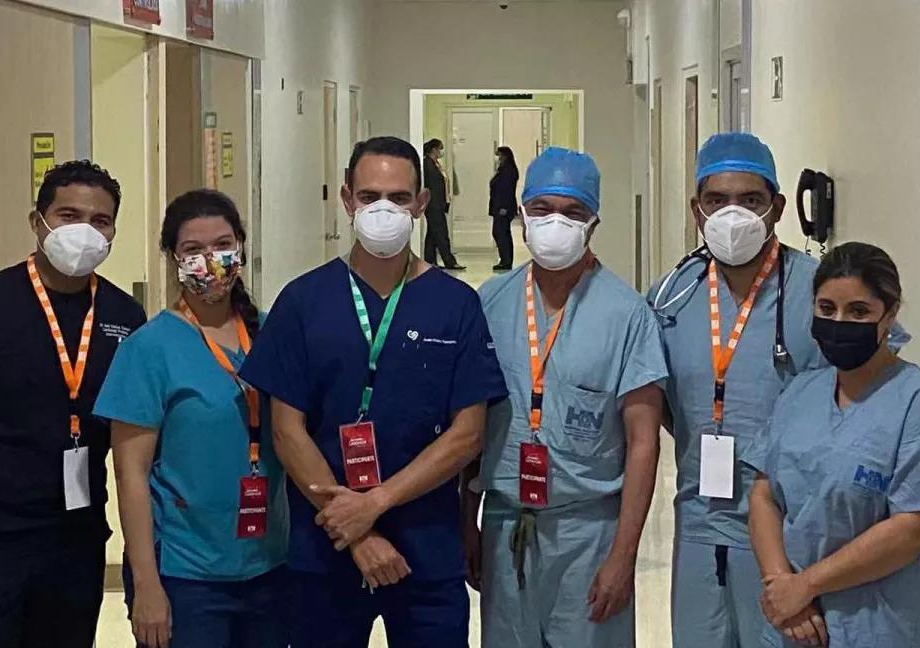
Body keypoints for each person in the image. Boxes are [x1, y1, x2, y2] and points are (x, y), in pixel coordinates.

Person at [238, 136, 508, 648]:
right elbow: (287, 431)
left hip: (426, 552)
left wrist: (376, 502)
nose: (384, 210)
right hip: (326, 548)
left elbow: (468, 434)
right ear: (347, 200)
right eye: (369, 197)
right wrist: (357, 531)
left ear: (422, 204)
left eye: (399, 198)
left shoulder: (455, 304)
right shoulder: (303, 301)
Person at [465, 147, 667, 648]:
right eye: (542, 208)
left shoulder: (627, 315)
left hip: (588, 533)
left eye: (573, 212)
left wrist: (623, 557)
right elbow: (468, 427)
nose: (556, 223)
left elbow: (644, 443)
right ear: (522, 215)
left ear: (593, 223)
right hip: (505, 524)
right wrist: (466, 524)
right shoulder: (490, 303)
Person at [0, 160, 147, 647]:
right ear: (37, 222)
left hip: (75, 537)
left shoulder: (124, 316)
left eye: (100, 221)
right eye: (68, 216)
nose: (84, 231)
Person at [645, 133, 825, 647]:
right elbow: (660, 401)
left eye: (750, 200)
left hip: (791, 527)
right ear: (696, 211)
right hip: (700, 520)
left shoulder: (817, 291)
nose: (732, 213)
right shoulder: (670, 296)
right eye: (717, 199)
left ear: (778, 208)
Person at [745, 242, 920, 647]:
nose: (839, 322)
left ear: (890, 315)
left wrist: (807, 585)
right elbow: (764, 493)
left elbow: (913, 528)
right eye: (827, 308)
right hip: (793, 624)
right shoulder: (801, 392)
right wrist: (782, 586)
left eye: (859, 311)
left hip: (879, 628)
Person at [94, 190, 289, 648]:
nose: (211, 260)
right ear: (173, 258)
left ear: (241, 248)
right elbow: (131, 475)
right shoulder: (149, 348)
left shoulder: (272, 334)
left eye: (222, 245)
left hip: (269, 565)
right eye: (193, 250)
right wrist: (146, 585)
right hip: (185, 574)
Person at [422, 138, 465, 270]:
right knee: (441, 233)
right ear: (433, 149)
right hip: (433, 204)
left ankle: (430, 261)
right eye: (440, 148)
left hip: (439, 203)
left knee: (432, 234)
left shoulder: (436, 164)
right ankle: (450, 262)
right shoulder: (427, 164)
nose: (441, 152)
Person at [489, 146, 520, 271]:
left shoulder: (508, 171)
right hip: (499, 206)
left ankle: (506, 260)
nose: (498, 158)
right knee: (501, 232)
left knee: (501, 233)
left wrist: (504, 207)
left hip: (504, 207)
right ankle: (505, 259)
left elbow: (507, 191)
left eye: (500, 155)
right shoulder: (503, 170)